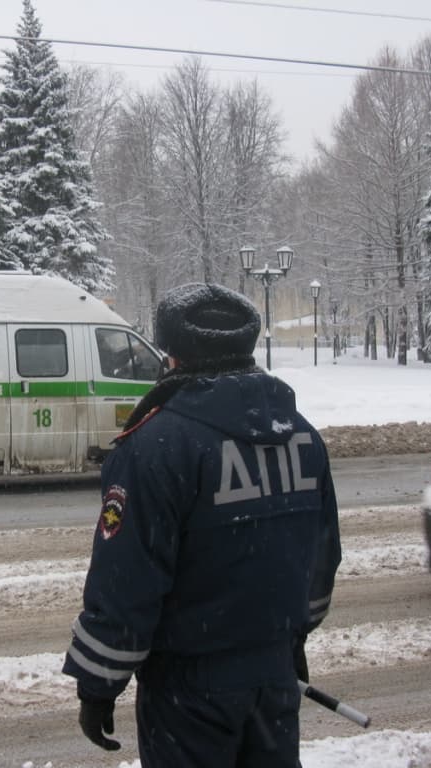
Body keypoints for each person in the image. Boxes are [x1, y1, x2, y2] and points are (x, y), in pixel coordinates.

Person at [63, 282, 342, 767]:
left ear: (171, 355)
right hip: (274, 675)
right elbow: (321, 557)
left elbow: (127, 580)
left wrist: (98, 683)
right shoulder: (302, 437)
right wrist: (290, 638)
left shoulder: (157, 447)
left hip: (188, 689)